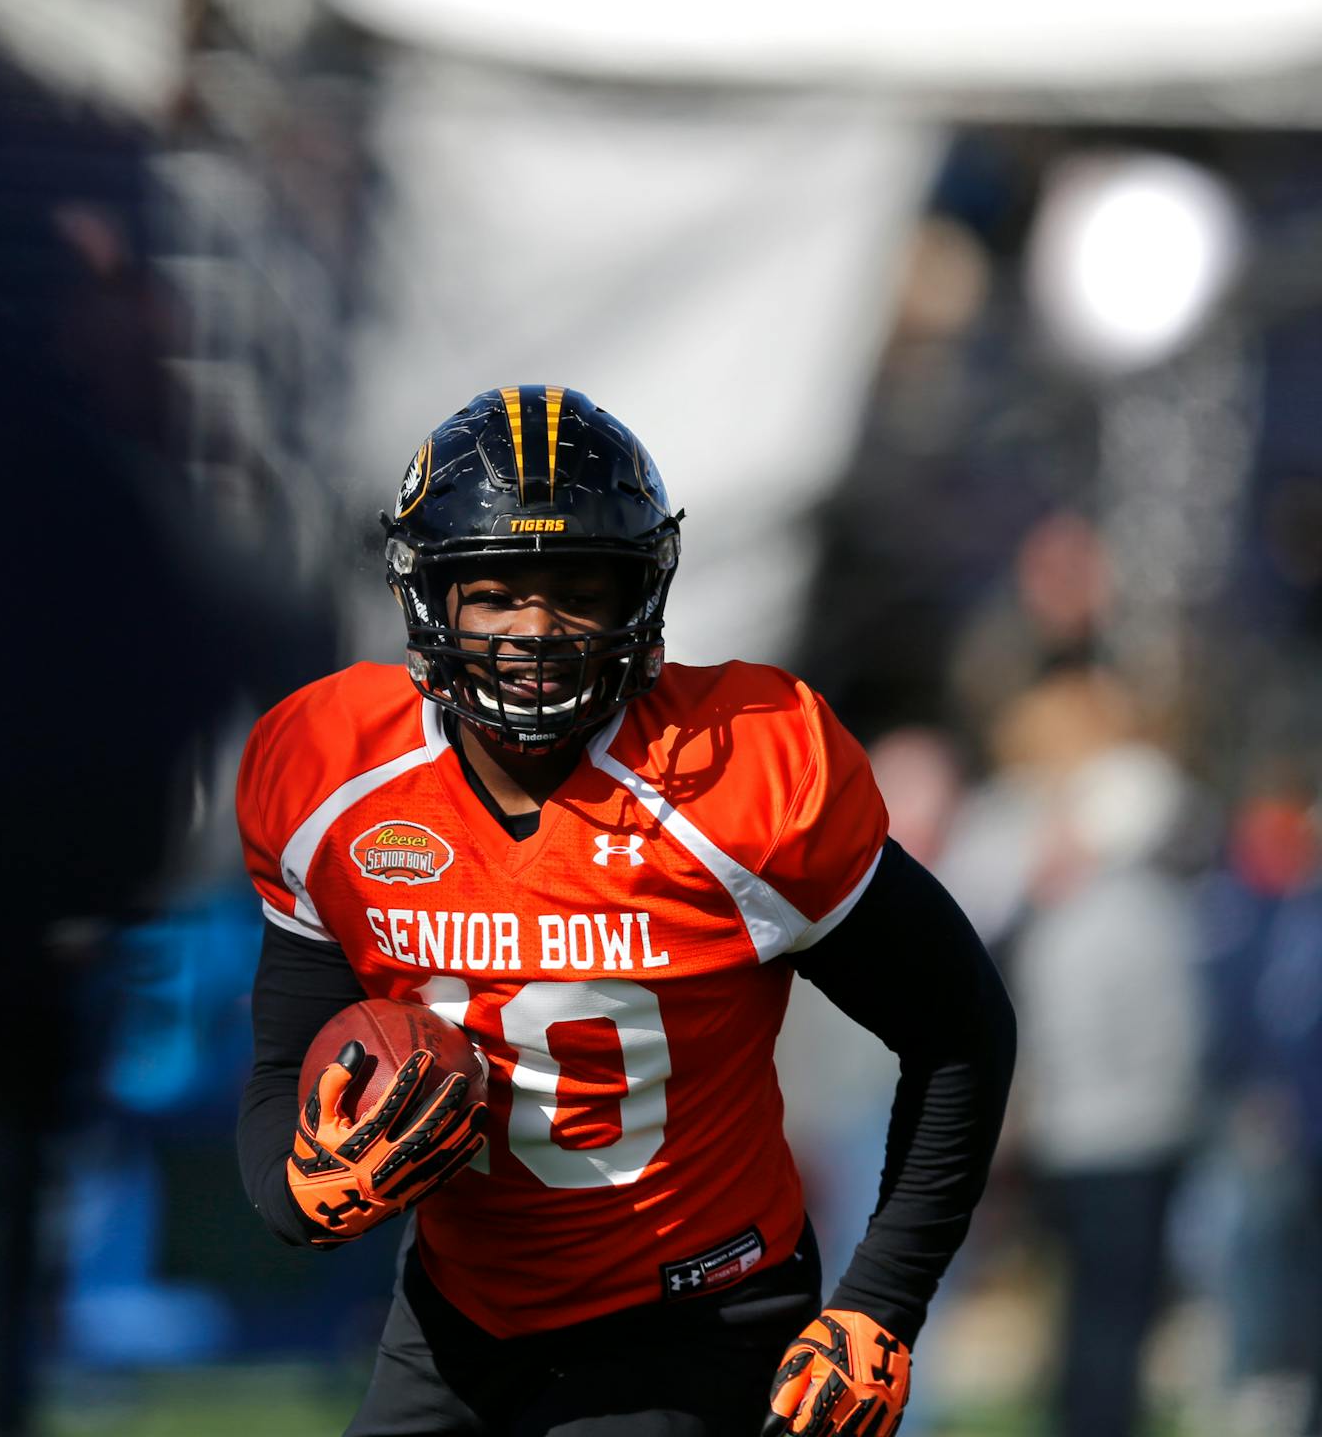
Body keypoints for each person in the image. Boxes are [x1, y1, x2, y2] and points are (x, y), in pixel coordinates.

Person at [234, 387, 1017, 1437]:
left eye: (577, 590)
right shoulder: (333, 770)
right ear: (430, 598)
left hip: (695, 1313)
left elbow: (960, 1029)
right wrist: (305, 1188)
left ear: (639, 598)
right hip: (458, 1312)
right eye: (497, 592)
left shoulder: (742, 774)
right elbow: (283, 1066)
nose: (537, 631)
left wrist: (881, 1304)